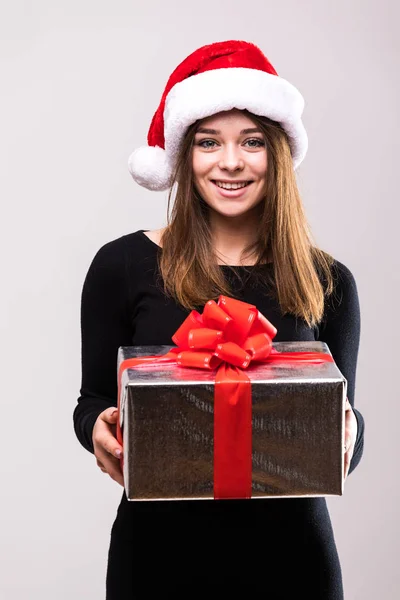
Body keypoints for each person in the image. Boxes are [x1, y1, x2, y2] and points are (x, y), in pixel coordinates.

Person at [73, 40, 365, 599]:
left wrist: (350, 433)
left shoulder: (329, 280)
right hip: (157, 559)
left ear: (276, 153)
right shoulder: (122, 265)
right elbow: (90, 402)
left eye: (251, 142)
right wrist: (96, 429)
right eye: (209, 143)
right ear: (184, 156)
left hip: (293, 562)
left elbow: (348, 420)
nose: (230, 162)